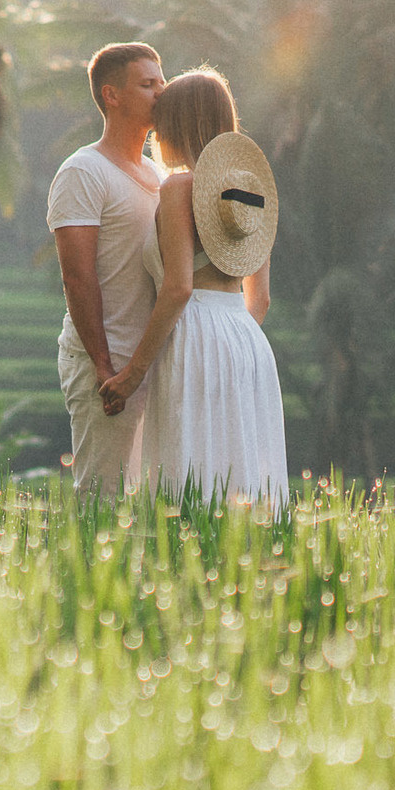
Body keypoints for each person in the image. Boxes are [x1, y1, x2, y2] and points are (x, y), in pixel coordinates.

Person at [100, 68, 288, 508]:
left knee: (189, 473)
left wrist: (132, 374)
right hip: (246, 338)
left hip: (194, 333)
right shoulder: (251, 191)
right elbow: (260, 298)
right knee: (239, 470)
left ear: (178, 124)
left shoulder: (180, 187)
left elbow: (178, 288)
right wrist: (227, 340)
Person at [47, 42, 166, 494]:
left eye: (162, 82)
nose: (161, 93)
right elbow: (77, 277)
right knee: (103, 499)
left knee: (156, 502)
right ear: (112, 95)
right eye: (148, 84)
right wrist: (104, 366)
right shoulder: (84, 171)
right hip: (109, 365)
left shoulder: (160, 176)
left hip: (153, 361)